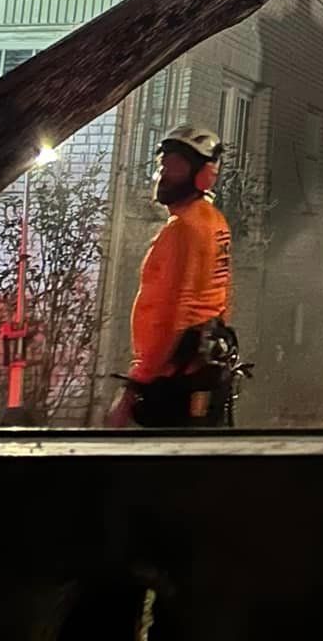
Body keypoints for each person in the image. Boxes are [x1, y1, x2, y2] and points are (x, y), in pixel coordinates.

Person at [107, 124, 237, 429]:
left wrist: (135, 385)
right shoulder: (214, 221)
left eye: (175, 168)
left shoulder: (184, 230)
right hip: (201, 366)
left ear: (202, 176)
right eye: (162, 166)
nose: (163, 175)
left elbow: (173, 310)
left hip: (171, 378)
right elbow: (223, 295)